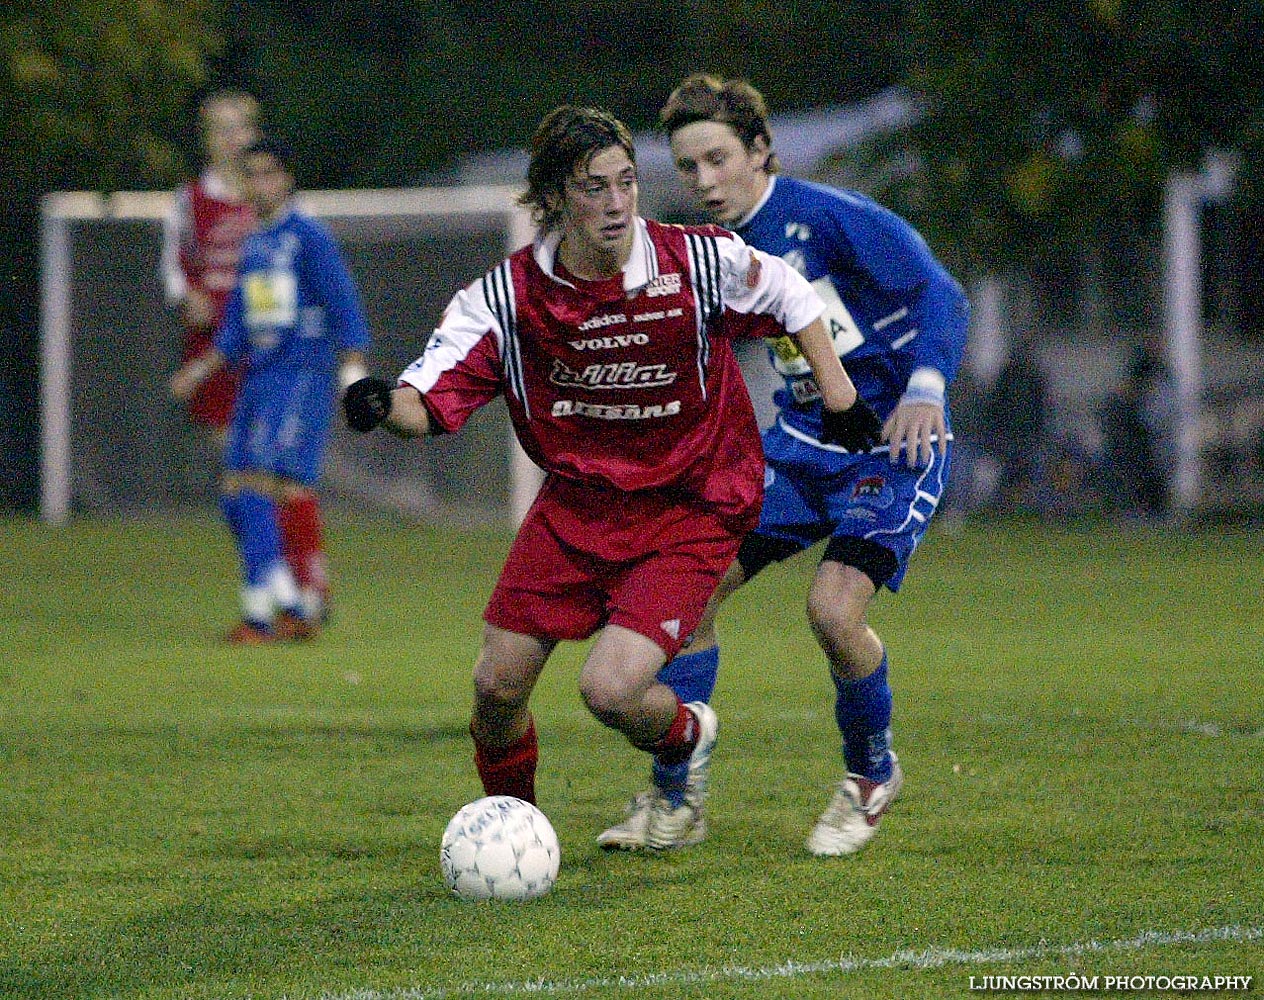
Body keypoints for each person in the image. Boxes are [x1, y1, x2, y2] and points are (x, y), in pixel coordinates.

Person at [342, 105, 881, 848]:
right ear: (557, 195)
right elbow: (426, 402)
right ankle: (519, 832)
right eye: (596, 187)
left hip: (693, 504)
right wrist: (379, 405)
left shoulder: (693, 262)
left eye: (626, 182)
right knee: (495, 688)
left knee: (610, 691)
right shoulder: (505, 299)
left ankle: (685, 736)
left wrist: (841, 394)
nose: (618, 202)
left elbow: (790, 293)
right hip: (577, 510)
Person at [596, 75, 971, 856]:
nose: (703, 182)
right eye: (688, 167)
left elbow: (941, 291)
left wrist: (926, 390)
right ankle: (677, 801)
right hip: (800, 447)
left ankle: (872, 775)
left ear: (760, 151)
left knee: (834, 613)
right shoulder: (713, 252)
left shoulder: (828, 217)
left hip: (890, 447)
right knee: (692, 594)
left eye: (717, 159)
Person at [171, 136, 372, 643]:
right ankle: (289, 604)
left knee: (265, 487)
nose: (260, 183)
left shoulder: (308, 236)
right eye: (252, 174)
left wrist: (352, 373)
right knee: (235, 495)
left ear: (286, 179)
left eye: (269, 173)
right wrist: (200, 369)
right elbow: (238, 322)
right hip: (258, 379)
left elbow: (343, 303)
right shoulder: (256, 243)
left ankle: (264, 614)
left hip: (300, 376)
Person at [161, 89, 334, 623]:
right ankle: (279, 590)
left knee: (280, 478)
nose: (232, 138)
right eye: (220, 128)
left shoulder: (274, 200)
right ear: (206, 138)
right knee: (242, 481)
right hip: (218, 350)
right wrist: (183, 295)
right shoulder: (191, 199)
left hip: (279, 358)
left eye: (241, 127)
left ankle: (297, 588)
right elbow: (174, 265)